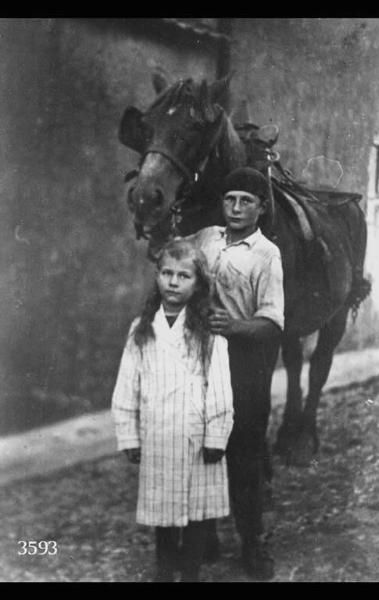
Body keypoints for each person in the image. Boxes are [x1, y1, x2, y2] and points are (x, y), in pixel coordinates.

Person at [111, 239, 234, 582]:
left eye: (184, 276)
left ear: (198, 284)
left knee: (197, 513)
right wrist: (128, 434)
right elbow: (126, 387)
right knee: (163, 514)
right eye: (167, 273)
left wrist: (216, 436)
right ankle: (164, 574)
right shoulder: (142, 329)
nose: (173, 282)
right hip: (159, 435)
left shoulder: (209, 332)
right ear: (157, 276)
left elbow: (221, 388)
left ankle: (191, 575)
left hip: (197, 438)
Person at [190, 167, 285, 580]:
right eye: (230, 199)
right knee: (199, 447)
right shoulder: (206, 238)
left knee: (244, 454)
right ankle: (204, 535)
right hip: (200, 360)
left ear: (261, 208)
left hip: (244, 364)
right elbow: (176, 269)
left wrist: (232, 327)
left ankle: (252, 544)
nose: (237, 207)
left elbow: (272, 322)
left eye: (247, 201)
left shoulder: (266, 254)